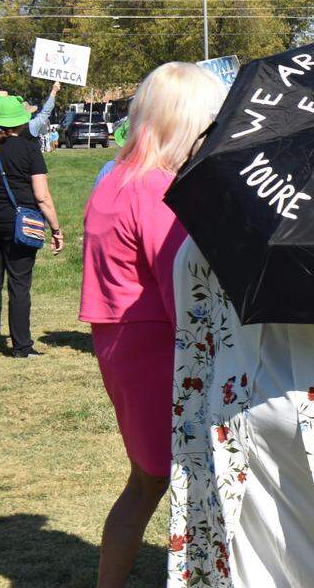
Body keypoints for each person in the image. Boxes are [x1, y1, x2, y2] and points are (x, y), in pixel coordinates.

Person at [80, 62, 226, 587]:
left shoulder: (114, 178)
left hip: (122, 342)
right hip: (158, 349)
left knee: (146, 480)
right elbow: (185, 293)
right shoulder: (158, 190)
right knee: (171, 479)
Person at [0, 95, 63, 359]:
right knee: (19, 284)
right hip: (18, 223)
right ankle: (22, 346)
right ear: (20, 123)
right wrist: (56, 229)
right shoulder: (29, 149)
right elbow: (42, 196)